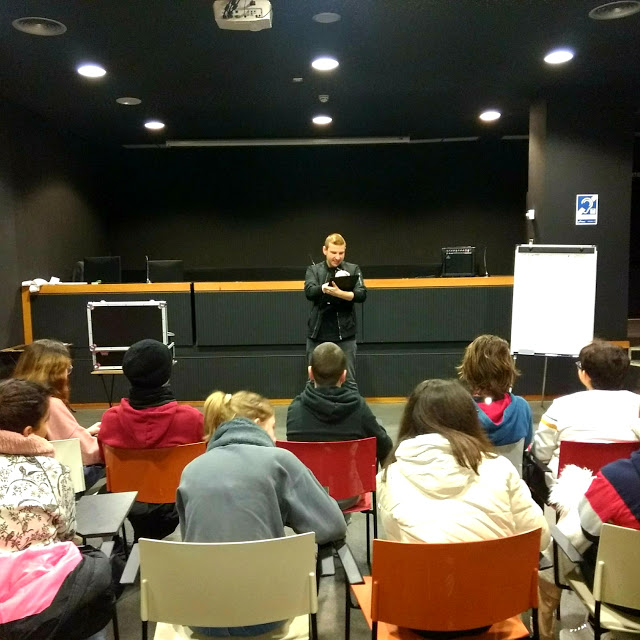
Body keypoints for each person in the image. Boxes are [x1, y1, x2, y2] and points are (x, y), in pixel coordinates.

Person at [177, 389, 347, 638]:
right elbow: (332, 525)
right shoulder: (280, 460)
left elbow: (189, 540)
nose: (275, 438)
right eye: (273, 428)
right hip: (266, 615)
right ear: (257, 423)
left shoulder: (190, 471)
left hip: (201, 616)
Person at [0, 378, 114, 640]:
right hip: (40, 599)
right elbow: (67, 534)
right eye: (46, 421)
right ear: (29, 431)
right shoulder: (53, 471)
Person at [378, 379, 549, 547]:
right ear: (470, 419)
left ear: (410, 422)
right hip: (496, 565)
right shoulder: (501, 469)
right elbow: (540, 539)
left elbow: (397, 542)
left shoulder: (387, 478)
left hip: (422, 566)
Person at [98, 339, 204, 541]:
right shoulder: (192, 419)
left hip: (129, 503)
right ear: (167, 374)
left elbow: (105, 461)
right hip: (177, 502)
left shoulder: (110, 420)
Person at [533, 340, 640, 478]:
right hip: (625, 485)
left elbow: (541, 454)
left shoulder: (561, 406)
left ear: (584, 374)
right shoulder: (637, 404)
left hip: (566, 487)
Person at [13, 338, 104, 487]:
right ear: (55, 373)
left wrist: (84, 433)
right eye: (67, 369)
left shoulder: (11, 398)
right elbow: (88, 452)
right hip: (54, 478)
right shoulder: (50, 404)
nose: (67, 374)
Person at [286, 341, 392, 464]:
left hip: (308, 477)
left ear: (310, 373)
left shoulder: (295, 410)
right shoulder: (359, 409)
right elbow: (386, 449)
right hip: (350, 476)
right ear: (344, 376)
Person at [305, 233, 366, 383]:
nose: (337, 257)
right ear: (324, 250)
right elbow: (310, 292)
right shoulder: (314, 270)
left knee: (348, 380)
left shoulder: (353, 269)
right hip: (318, 333)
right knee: (313, 380)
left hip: (345, 334)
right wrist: (324, 288)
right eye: (333, 252)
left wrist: (340, 293)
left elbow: (361, 294)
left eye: (341, 253)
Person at [457, 334, 533, 447]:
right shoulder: (522, 406)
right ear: (508, 368)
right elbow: (526, 443)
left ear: (469, 367)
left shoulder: (459, 410)